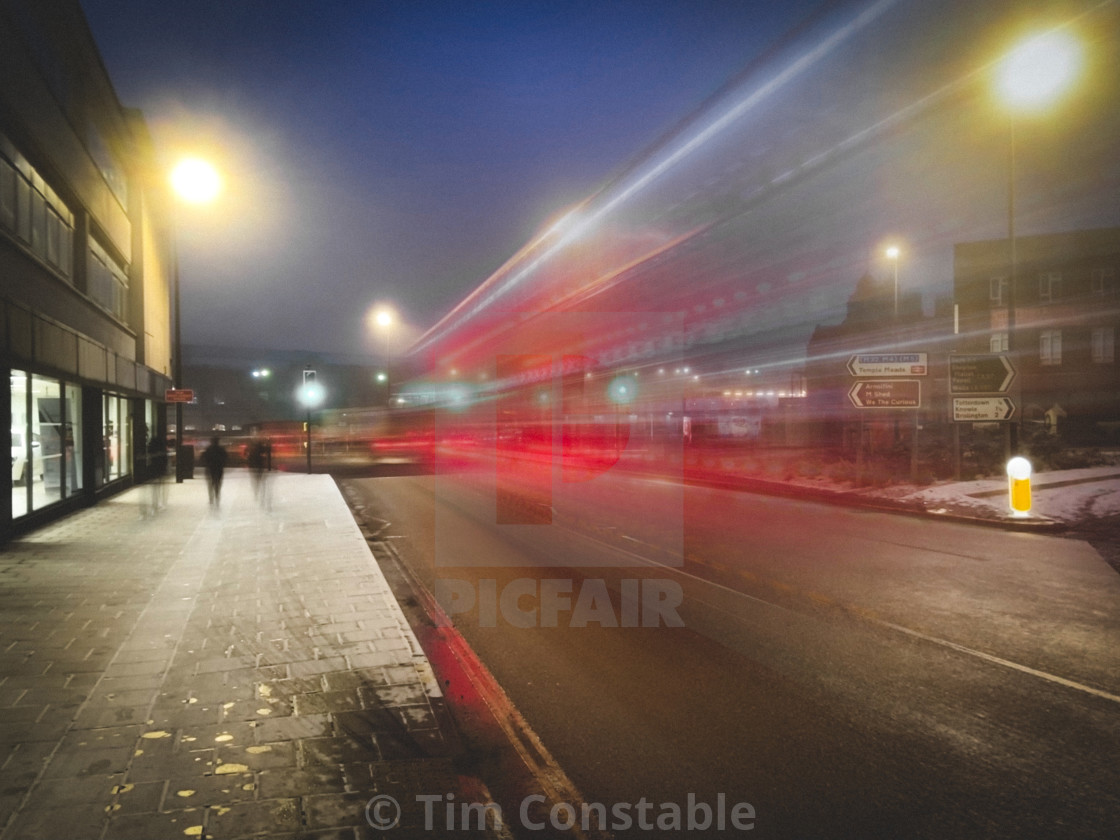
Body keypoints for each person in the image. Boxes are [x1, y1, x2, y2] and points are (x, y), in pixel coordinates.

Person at [199, 436, 228, 508]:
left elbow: (202, 458)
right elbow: (226, 458)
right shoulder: (221, 449)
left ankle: (211, 498)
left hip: (210, 469)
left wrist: (207, 464)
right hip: (218, 469)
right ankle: (217, 496)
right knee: (217, 483)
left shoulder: (208, 449)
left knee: (210, 484)